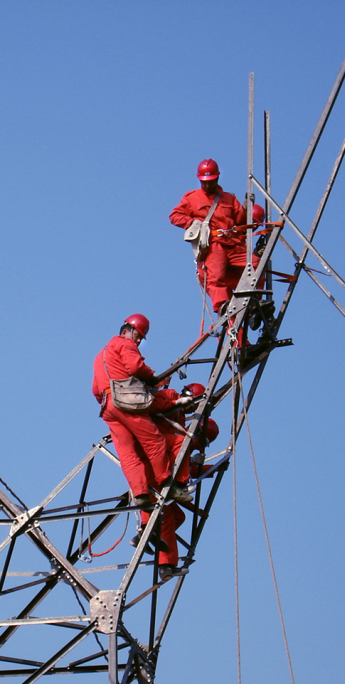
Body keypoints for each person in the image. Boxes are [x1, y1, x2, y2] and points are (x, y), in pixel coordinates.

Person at [92, 314, 192, 510]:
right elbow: (135, 367)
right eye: (138, 336)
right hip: (125, 403)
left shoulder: (100, 356)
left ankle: (141, 495)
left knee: (128, 453)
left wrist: (111, 399)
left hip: (107, 407)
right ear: (126, 330)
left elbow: (95, 389)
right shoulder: (124, 344)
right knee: (154, 440)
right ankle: (166, 483)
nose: (138, 341)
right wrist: (153, 379)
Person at [169, 159, 263, 314]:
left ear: (217, 179)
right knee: (215, 276)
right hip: (214, 244)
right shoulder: (192, 198)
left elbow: (240, 222)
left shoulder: (229, 199)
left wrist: (247, 209)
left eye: (210, 181)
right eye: (204, 182)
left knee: (256, 263)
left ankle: (255, 300)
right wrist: (193, 223)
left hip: (233, 244)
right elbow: (174, 216)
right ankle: (223, 305)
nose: (207, 185)